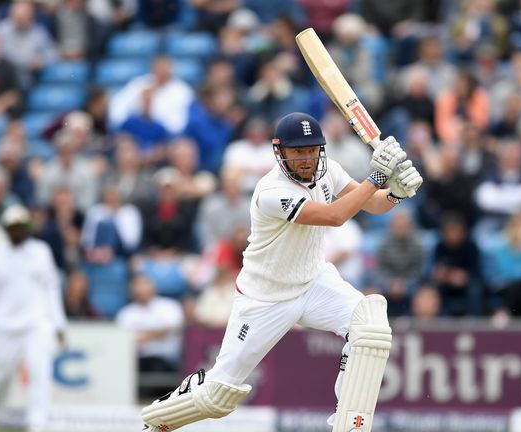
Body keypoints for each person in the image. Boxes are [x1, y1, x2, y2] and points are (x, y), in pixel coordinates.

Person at [139, 112, 423, 432]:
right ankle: (157, 420)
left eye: (312, 150)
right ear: (280, 152)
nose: (306, 158)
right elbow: (334, 216)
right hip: (265, 298)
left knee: (371, 328)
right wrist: (377, 178)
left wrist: (396, 193)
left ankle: (349, 426)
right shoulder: (272, 191)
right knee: (217, 398)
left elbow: (372, 204)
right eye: (297, 151)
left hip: (314, 281)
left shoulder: (328, 169)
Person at [0, 205, 67, 432]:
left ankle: (38, 423)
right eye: (12, 227)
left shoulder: (41, 251)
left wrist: (59, 323)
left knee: (40, 373)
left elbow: (52, 289)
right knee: (1, 378)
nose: (17, 231)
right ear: (6, 230)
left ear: (27, 228)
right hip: (6, 327)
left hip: (36, 325)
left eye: (20, 227)